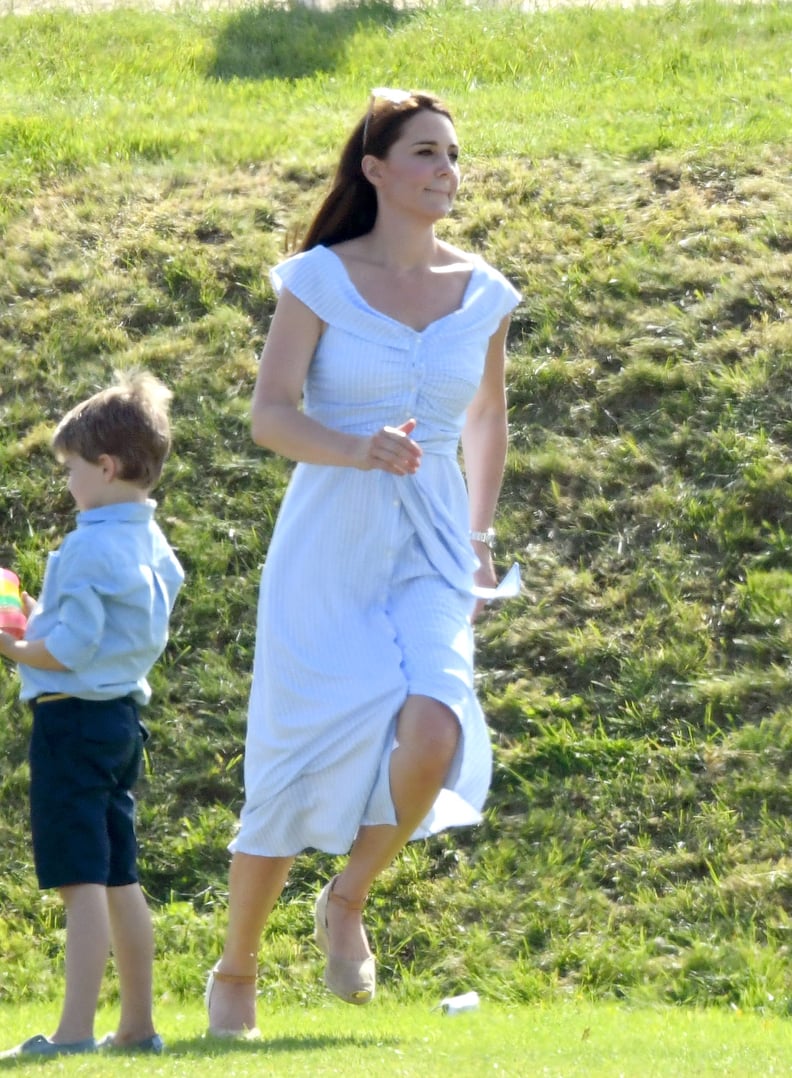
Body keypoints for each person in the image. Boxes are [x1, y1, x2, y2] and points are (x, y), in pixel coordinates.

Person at [205, 87, 520, 1037]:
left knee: (437, 727)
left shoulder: (485, 292)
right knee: (292, 765)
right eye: (425, 153)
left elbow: (486, 420)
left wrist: (478, 543)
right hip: (328, 540)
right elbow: (270, 416)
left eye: (453, 154)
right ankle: (237, 969)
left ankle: (347, 899)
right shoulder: (317, 279)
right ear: (375, 171)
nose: (445, 170)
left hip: (431, 543)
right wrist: (357, 446)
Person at [0, 371, 184, 1058]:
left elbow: (69, 649)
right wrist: (41, 625)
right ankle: (136, 1026)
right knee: (118, 877)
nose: (68, 482)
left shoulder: (83, 547)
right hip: (118, 723)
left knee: (79, 881)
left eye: (73, 469)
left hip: (70, 724)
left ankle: (73, 1033)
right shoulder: (151, 542)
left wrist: (12, 642)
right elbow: (101, 630)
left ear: (105, 467)